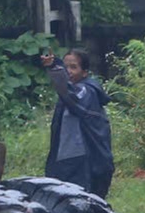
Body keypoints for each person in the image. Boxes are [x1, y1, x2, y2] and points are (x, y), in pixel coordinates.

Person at [42, 48, 114, 197]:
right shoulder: (69, 93)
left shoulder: (87, 91)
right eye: (66, 67)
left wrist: (55, 69)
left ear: (85, 72)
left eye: (73, 67)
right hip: (66, 161)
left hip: (85, 164)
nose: (69, 71)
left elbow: (72, 98)